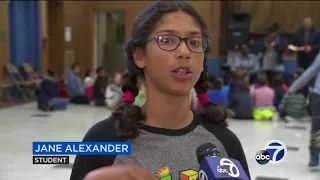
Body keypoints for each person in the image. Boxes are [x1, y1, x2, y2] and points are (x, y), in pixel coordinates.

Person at [70, 1, 250, 180]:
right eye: (167, 40)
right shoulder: (103, 140)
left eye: (194, 42)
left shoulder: (225, 143)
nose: (184, 51)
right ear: (139, 56)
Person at [287, 53, 320, 167]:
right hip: (318, 95)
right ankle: (314, 154)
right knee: (316, 126)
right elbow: (310, 72)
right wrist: (294, 87)